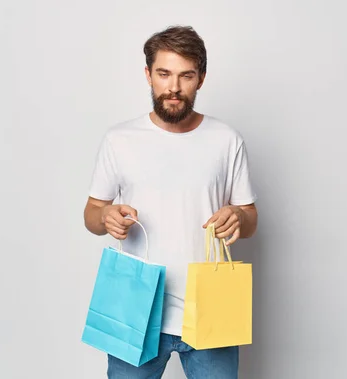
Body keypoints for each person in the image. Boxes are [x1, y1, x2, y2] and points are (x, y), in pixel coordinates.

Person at [83, 25, 258, 379]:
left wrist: (238, 215)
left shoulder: (226, 140)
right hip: (136, 310)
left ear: (201, 78)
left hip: (211, 308)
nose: (174, 87)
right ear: (148, 74)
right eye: (164, 74)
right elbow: (90, 214)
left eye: (186, 76)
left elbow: (251, 220)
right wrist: (106, 216)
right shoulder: (120, 139)